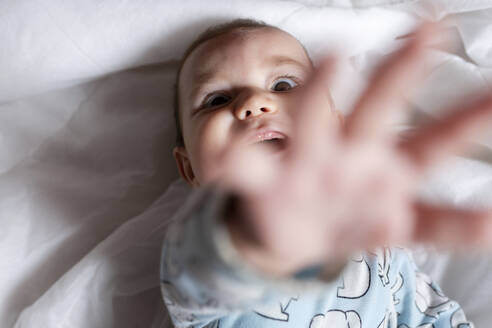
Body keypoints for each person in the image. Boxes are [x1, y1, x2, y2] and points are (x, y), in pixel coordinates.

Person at [161, 18, 492, 327]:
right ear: (189, 168)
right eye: (217, 99)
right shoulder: (196, 256)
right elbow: (212, 267)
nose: (254, 102)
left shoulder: (374, 232)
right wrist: (255, 235)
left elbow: (429, 315)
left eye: (283, 84)